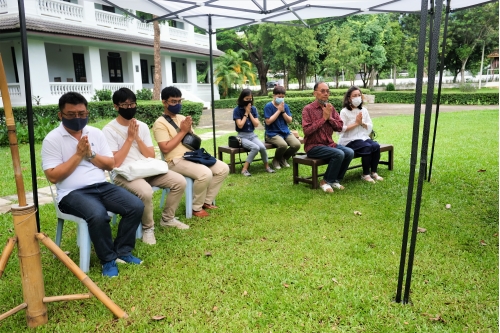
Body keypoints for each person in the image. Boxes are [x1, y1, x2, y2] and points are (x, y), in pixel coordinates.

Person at [42, 92, 144, 277]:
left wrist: (90, 155)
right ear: (61, 115)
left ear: (87, 112)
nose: (78, 118)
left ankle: (123, 251)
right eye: (71, 115)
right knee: (98, 215)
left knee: (135, 206)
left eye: (82, 114)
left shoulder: (95, 133)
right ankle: (108, 259)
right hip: (71, 193)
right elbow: (53, 177)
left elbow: (110, 164)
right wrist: (78, 155)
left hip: (101, 186)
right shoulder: (52, 139)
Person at [102, 88, 189, 246]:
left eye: (132, 104)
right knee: (145, 191)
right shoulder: (109, 130)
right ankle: (148, 228)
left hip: (146, 169)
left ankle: (168, 219)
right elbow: (115, 163)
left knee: (179, 181)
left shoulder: (141, 126)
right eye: (125, 105)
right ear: (116, 106)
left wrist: (137, 138)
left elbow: (150, 155)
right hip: (124, 174)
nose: (129, 108)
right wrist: (129, 139)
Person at [153, 86, 229, 218]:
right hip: (174, 161)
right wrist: (182, 131)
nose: (177, 104)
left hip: (191, 156)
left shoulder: (182, 117)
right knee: (205, 173)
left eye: (179, 101)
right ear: (164, 102)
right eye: (173, 101)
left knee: (223, 168)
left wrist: (188, 130)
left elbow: (193, 141)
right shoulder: (159, 123)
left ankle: (206, 200)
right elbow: (165, 148)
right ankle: (196, 207)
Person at [301, 82, 354, 193]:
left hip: (329, 144)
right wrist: (323, 119)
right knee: (339, 154)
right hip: (313, 146)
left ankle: (335, 180)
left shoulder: (330, 108)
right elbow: (307, 131)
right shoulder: (308, 109)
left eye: (328, 91)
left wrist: (329, 118)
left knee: (349, 152)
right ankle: (325, 181)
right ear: (315, 93)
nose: (326, 94)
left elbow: (340, 127)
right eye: (323, 91)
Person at [338, 86, 383, 183]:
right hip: (349, 140)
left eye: (359, 95)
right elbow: (340, 129)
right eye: (354, 95)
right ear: (349, 98)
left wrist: (362, 123)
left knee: (376, 146)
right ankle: (365, 174)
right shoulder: (344, 112)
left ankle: (373, 172)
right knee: (367, 147)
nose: (357, 97)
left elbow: (370, 126)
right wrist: (356, 123)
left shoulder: (364, 110)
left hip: (362, 137)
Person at [233, 89, 275, 176]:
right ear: (242, 99)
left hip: (252, 135)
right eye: (247, 99)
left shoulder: (254, 109)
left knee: (262, 147)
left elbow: (256, 124)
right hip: (242, 136)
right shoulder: (237, 110)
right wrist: (246, 113)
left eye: (250, 99)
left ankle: (267, 167)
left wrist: (250, 113)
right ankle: (244, 169)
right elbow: (240, 125)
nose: (249, 101)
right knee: (255, 148)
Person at [264, 86, 301, 170]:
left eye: (282, 97)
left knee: (296, 145)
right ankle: (276, 160)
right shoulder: (268, 106)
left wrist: (283, 111)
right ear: (274, 96)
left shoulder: (285, 106)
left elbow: (289, 121)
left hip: (285, 132)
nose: (281, 99)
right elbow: (268, 122)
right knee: (283, 145)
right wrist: (278, 111)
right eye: (279, 97)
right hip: (272, 133)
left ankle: (283, 158)